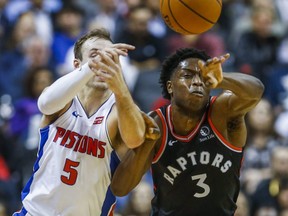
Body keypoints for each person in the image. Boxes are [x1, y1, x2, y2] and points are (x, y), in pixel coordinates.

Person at [13, 28, 150, 216]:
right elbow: (44, 104)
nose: (103, 62)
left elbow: (135, 140)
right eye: (95, 56)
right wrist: (90, 67)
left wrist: (121, 89)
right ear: (78, 65)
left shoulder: (120, 110)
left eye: (110, 58)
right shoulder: (64, 99)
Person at [111, 48, 265, 215]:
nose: (198, 81)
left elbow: (255, 91)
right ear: (170, 87)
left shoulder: (223, 112)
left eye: (203, 77)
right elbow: (120, 188)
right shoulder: (157, 123)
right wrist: (148, 143)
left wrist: (222, 79)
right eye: (188, 75)